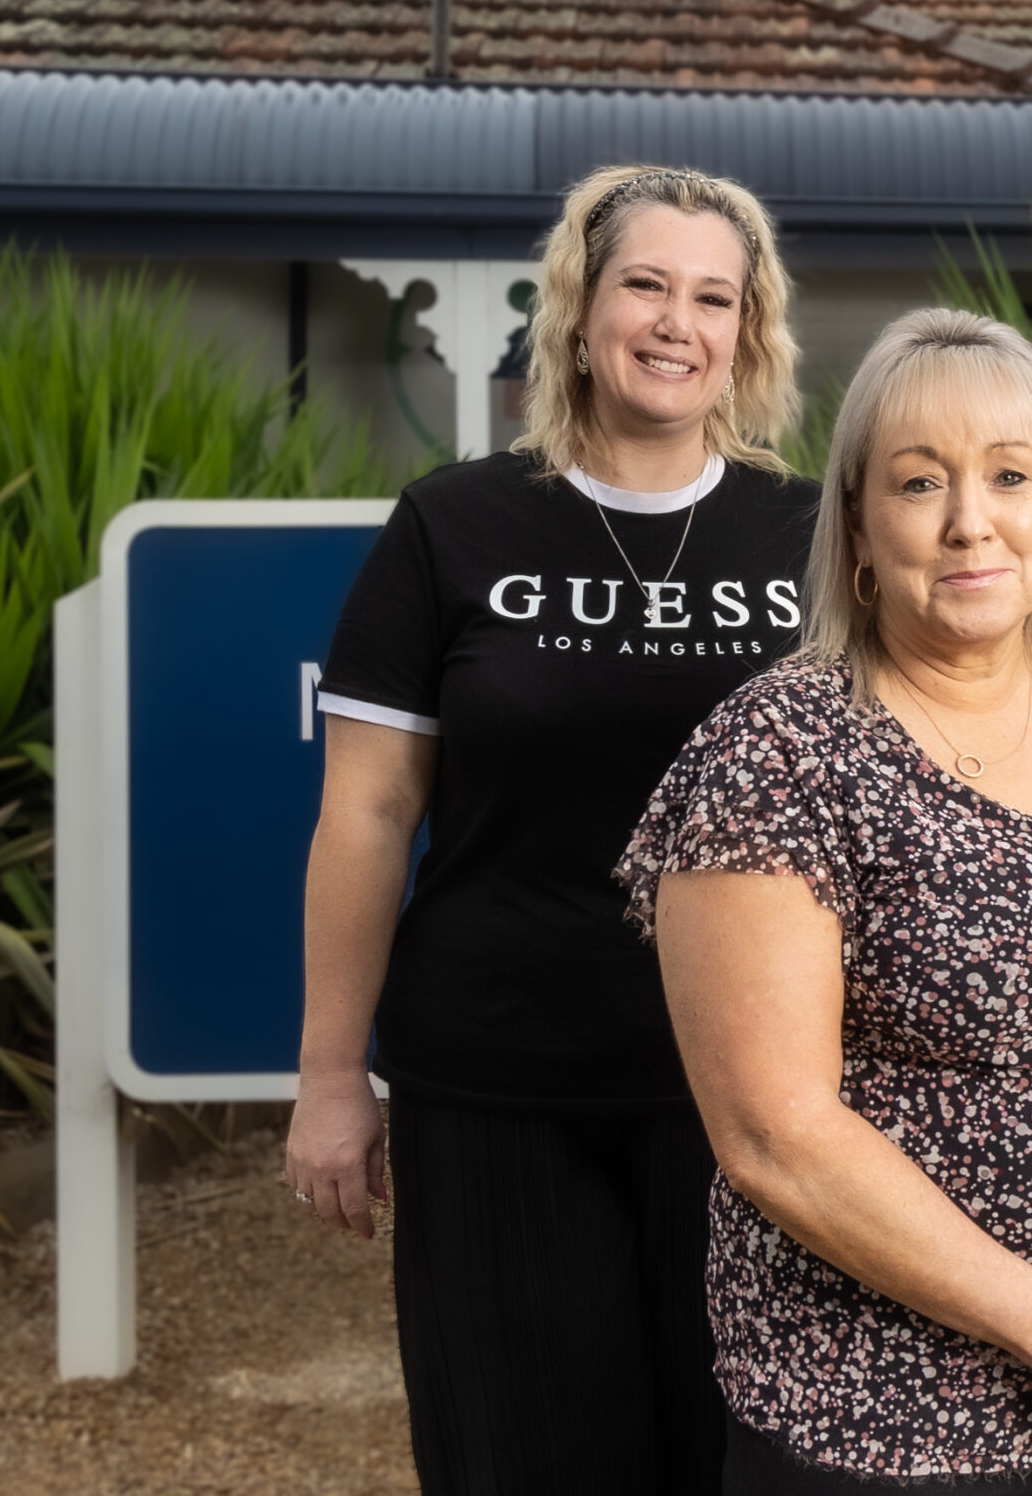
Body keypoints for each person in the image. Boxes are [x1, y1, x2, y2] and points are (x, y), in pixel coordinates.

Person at [616, 308, 1032, 1492]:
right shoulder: (780, 750)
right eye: (919, 484)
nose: (972, 521)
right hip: (878, 1420)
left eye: (1009, 476)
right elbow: (774, 1136)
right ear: (858, 524)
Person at [284, 165, 819, 1493]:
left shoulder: (812, 536)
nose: (674, 321)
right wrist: (329, 1074)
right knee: (515, 1453)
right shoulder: (453, 525)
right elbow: (367, 809)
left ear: (748, 332)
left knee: (737, 1458)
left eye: (713, 295)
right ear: (579, 309)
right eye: (644, 283)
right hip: (497, 1078)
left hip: (757, 1087)